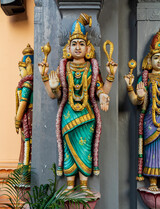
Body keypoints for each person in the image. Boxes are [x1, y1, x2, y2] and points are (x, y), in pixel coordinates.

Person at [39, 13, 117, 192]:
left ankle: (84, 185)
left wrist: (109, 79)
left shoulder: (92, 67)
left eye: (81, 43)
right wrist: (48, 82)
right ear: (68, 47)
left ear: (88, 47)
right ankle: (69, 186)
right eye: (74, 44)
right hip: (68, 115)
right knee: (68, 151)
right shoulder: (63, 67)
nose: (78, 47)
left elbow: (100, 91)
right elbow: (55, 95)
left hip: (87, 116)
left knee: (85, 150)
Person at [124, 30, 160, 191]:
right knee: (152, 150)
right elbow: (136, 101)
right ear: (149, 59)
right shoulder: (144, 79)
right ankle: (152, 182)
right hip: (151, 123)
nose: (159, 61)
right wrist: (133, 90)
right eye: (156, 57)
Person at [15, 44, 34, 170]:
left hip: (29, 116)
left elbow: (23, 104)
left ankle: (26, 169)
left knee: (27, 143)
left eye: (21, 70)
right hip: (28, 117)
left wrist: (17, 121)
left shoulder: (27, 84)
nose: (19, 73)